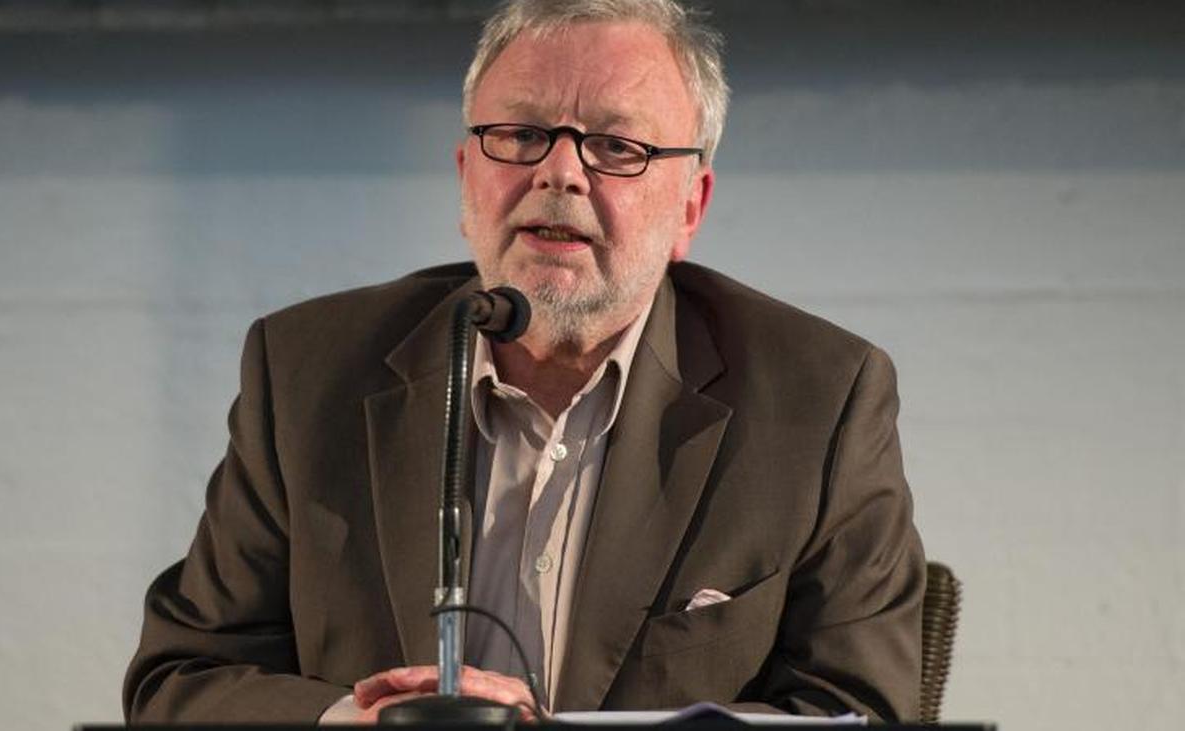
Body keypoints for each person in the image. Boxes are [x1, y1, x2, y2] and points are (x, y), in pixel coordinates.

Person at [123, 0, 925, 724]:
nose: (560, 172)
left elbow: (861, 709)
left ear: (691, 206)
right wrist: (354, 721)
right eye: (520, 135)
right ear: (466, 175)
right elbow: (182, 679)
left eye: (617, 146)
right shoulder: (308, 371)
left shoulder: (821, 400)